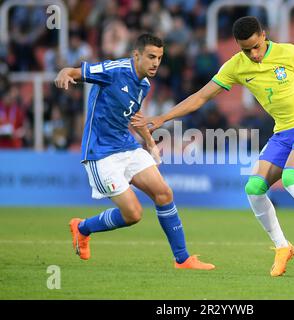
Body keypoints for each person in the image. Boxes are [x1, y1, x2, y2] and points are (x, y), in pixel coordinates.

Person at [131, 17, 294, 277]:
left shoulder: (289, 53)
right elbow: (201, 96)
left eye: (256, 47)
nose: (253, 55)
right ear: (238, 46)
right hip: (283, 131)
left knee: (292, 179)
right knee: (253, 188)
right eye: (246, 50)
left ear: (264, 36)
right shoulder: (236, 66)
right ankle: (282, 247)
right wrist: (163, 118)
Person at [54, 33, 214, 271]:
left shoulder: (144, 85)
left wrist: (149, 144)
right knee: (133, 214)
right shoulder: (115, 70)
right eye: (150, 56)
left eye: (159, 58)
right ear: (136, 55)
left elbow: (135, 119)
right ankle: (83, 228)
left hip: (126, 145)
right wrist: (65, 72)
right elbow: (75, 72)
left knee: (164, 194)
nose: (155, 63)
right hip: (100, 152)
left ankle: (183, 259)